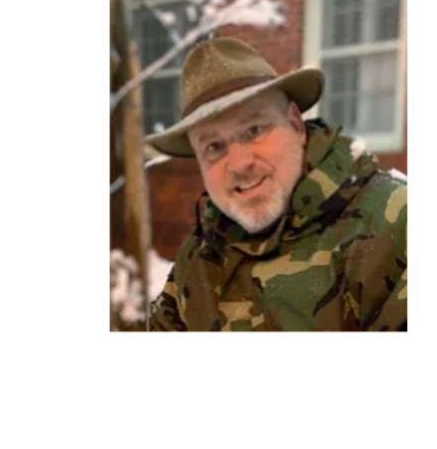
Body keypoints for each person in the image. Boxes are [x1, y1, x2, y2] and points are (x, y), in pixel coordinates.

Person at [146, 38, 410, 336]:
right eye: (213, 147)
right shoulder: (199, 260)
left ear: (296, 124)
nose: (239, 163)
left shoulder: (395, 227)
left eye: (254, 130)